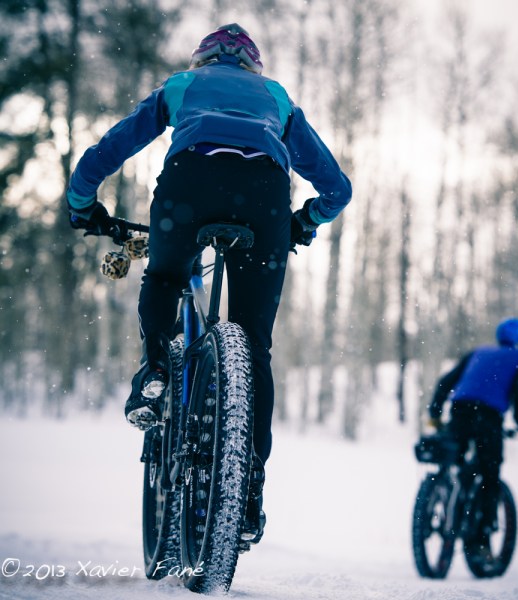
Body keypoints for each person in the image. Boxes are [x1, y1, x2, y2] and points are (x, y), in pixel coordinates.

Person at [66, 23, 352, 547]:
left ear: (204, 61)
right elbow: (337, 188)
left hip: (189, 185)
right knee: (255, 347)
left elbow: (106, 152)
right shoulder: (277, 98)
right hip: (264, 195)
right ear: (253, 67)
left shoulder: (181, 86)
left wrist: (83, 204)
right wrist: (304, 221)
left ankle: (155, 369)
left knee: (168, 275)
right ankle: (248, 487)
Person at [427, 318, 518, 555]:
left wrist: (435, 413)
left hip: (460, 410)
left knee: (456, 457)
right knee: (490, 473)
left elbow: (446, 382)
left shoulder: (478, 352)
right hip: (488, 418)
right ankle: (480, 541)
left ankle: (445, 495)